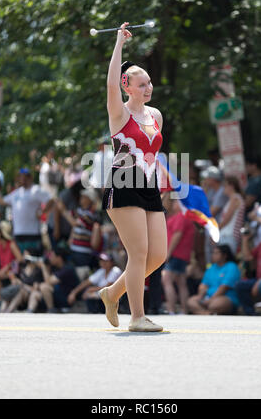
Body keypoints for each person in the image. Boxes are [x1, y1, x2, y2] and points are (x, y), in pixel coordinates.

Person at [98, 22, 167, 332]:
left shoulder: (156, 116)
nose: (148, 88)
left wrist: (163, 176)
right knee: (138, 253)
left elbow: (151, 153)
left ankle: (112, 293)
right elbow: (110, 86)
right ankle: (137, 317)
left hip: (148, 187)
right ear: (128, 86)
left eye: (149, 83)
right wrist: (119, 45)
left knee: (158, 255)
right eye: (141, 84)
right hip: (123, 186)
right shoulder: (119, 113)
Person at [0, 168, 54, 253]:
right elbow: (1, 201)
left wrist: (42, 211)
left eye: (25, 177)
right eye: (21, 177)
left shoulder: (36, 190)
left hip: (32, 234)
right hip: (18, 234)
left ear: (30, 177)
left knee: (32, 262)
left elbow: (51, 200)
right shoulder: (17, 193)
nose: (23, 179)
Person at [55, 188, 102, 281]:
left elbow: (74, 223)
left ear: (90, 200)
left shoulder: (90, 215)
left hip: (83, 254)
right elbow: (70, 215)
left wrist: (63, 209)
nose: (82, 198)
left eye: (85, 197)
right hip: (74, 251)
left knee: (80, 276)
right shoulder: (80, 211)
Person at [161, 193, 195, 314]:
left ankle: (171, 309)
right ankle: (184, 310)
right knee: (181, 282)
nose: (173, 204)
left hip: (175, 253)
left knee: (166, 279)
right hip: (182, 255)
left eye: (176, 202)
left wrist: (168, 253)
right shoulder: (183, 217)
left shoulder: (181, 216)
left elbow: (177, 235)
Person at [187, 245, 241, 315]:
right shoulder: (211, 268)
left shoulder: (232, 267)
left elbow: (224, 287)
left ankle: (203, 312)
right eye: (213, 253)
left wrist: (211, 299)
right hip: (207, 298)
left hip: (225, 298)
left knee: (215, 305)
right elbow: (203, 285)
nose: (213, 255)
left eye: (216, 253)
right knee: (191, 301)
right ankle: (206, 314)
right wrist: (200, 296)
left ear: (225, 255)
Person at [0, 221, 23, 300]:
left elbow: (20, 260)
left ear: (2, 233)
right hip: (3, 272)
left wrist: (8, 266)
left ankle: (2, 300)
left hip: (12, 272)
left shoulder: (11, 244)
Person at [219, 176, 245, 254]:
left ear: (231, 186)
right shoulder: (232, 199)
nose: (223, 188)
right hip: (226, 235)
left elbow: (227, 218)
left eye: (225, 185)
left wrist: (215, 230)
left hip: (230, 236)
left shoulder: (235, 198)